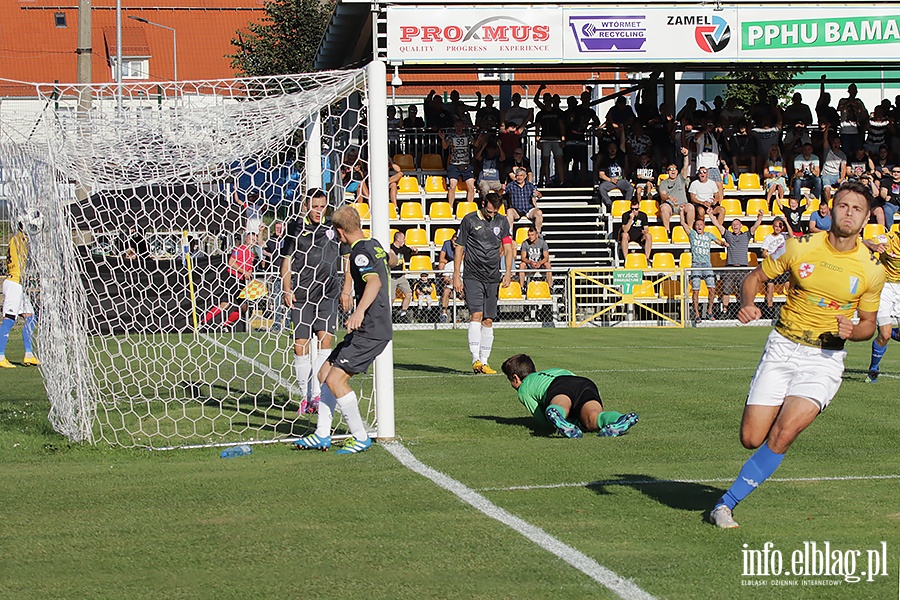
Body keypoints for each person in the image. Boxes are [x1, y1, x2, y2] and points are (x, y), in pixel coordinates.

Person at [709, 181, 884, 529]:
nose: (849, 213)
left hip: (825, 359)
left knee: (785, 432)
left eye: (857, 209)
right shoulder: (799, 247)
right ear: (831, 208)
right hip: (783, 347)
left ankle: (724, 505)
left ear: (865, 220)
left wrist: (854, 332)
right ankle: (772, 425)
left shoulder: (871, 268)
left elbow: (868, 325)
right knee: (751, 438)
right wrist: (747, 305)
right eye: (843, 206)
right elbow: (755, 278)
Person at [292, 205, 394, 455]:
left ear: (339, 231)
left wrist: (359, 312)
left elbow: (374, 281)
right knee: (325, 373)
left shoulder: (360, 252)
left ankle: (360, 437)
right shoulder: (372, 244)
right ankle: (321, 435)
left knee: (336, 380)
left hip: (371, 327)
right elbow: (386, 261)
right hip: (370, 327)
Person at [282, 190, 350, 414]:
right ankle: (306, 397)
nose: (319, 210)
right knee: (301, 344)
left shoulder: (332, 227)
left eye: (322, 206)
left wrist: (347, 289)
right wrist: (286, 288)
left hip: (327, 294)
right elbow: (287, 260)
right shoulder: (295, 228)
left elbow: (347, 256)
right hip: (302, 293)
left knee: (326, 341)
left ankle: (319, 393)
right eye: (315, 206)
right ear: (306, 205)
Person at [501, 353, 639, 438]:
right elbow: (572, 382)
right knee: (593, 418)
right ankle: (620, 418)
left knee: (560, 405)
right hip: (584, 383)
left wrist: (553, 425)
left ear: (515, 377)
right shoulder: (554, 369)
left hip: (558, 385)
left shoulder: (523, 389)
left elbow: (542, 420)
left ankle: (557, 414)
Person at [453, 192, 514, 374]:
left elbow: (509, 248)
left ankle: (485, 362)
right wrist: (457, 275)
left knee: (488, 319)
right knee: (476, 314)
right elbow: (459, 248)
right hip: (472, 275)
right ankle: (475, 359)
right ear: (483, 204)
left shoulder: (502, 221)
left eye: (494, 212)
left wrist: (509, 272)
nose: (491, 215)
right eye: (489, 211)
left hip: (493, 276)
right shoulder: (469, 220)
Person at [0, 223, 39, 368]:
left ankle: (28, 355)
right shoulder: (17, 239)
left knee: (30, 316)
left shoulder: (22, 239)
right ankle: (0, 356)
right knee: (9, 319)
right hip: (13, 283)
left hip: (19, 285)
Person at [202, 231, 257, 329]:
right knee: (227, 304)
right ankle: (204, 322)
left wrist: (249, 273)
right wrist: (244, 271)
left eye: (254, 240)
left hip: (241, 281)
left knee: (243, 307)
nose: (252, 242)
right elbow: (231, 262)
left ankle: (224, 324)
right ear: (246, 239)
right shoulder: (240, 249)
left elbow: (249, 269)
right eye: (250, 239)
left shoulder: (251, 255)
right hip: (232, 278)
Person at [681, 216, 727, 322]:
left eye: (701, 225)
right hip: (696, 264)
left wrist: (724, 243)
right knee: (695, 291)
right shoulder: (692, 234)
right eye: (697, 225)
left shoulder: (708, 235)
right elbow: (683, 223)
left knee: (712, 289)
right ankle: (697, 313)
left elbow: (719, 242)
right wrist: (682, 212)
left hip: (707, 264)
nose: (699, 226)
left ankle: (709, 311)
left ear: (704, 226)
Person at [718, 212, 764, 316]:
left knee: (743, 291)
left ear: (741, 226)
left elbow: (755, 226)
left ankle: (742, 312)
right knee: (726, 291)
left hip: (743, 268)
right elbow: (718, 226)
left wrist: (760, 217)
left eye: (737, 224)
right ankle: (725, 312)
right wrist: (711, 215)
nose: (735, 226)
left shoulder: (746, 235)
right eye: (733, 224)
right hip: (730, 268)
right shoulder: (728, 236)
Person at [439, 117, 476, 209]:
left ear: (463, 126)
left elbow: (476, 144)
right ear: (454, 127)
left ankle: (469, 207)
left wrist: (480, 138)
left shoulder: (468, 136)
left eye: (460, 126)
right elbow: (445, 147)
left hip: (466, 164)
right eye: (456, 126)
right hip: (454, 165)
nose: (458, 128)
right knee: (452, 186)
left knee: (471, 187)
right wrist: (443, 139)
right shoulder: (451, 136)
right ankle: (450, 207)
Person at [658, 147, 694, 235]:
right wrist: (668, 197)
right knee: (664, 208)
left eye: (674, 169)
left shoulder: (681, 178)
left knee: (691, 207)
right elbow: (662, 195)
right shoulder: (664, 183)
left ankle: (690, 230)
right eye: (670, 169)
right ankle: (667, 231)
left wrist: (686, 155)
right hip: (670, 205)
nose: (673, 171)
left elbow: (685, 166)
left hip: (683, 204)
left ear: (677, 171)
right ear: (667, 172)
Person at [263, 220, 288, 332]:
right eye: (276, 228)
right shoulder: (272, 240)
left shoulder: (289, 239)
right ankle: (277, 324)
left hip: (288, 275)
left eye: (280, 228)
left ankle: (288, 324)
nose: (278, 230)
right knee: (277, 300)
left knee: (288, 300)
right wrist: (260, 232)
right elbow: (261, 245)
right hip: (276, 275)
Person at [759, 218, 791, 307]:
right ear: (773, 226)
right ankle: (769, 308)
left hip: (782, 266)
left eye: (779, 227)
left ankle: (791, 306)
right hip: (772, 266)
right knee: (770, 287)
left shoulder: (784, 236)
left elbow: (792, 236)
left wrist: (786, 222)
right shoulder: (768, 238)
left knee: (788, 285)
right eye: (776, 226)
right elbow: (763, 253)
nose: (777, 228)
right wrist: (772, 257)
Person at [594, 141, 632, 211]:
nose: (612, 149)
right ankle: (609, 204)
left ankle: (627, 205)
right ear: (608, 149)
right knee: (601, 188)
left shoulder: (621, 158)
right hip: (609, 181)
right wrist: (610, 180)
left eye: (614, 148)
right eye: (610, 148)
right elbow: (601, 174)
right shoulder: (604, 160)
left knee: (630, 188)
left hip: (620, 180)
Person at [389, 231, 417, 322]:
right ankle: (387, 315)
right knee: (391, 298)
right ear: (398, 239)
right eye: (403, 238)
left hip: (400, 276)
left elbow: (411, 251)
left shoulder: (403, 248)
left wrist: (415, 250)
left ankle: (403, 312)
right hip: (391, 276)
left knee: (409, 294)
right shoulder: (390, 248)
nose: (404, 240)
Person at [505, 167, 543, 234]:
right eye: (517, 176)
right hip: (516, 210)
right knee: (509, 211)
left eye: (521, 175)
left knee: (539, 213)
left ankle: (538, 234)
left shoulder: (530, 186)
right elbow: (502, 193)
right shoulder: (510, 186)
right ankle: (509, 234)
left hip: (528, 209)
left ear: (525, 176)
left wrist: (538, 194)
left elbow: (539, 196)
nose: (519, 177)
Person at [437, 231, 459, 323]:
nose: (455, 243)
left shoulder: (464, 264)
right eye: (454, 241)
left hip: (461, 286)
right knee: (446, 290)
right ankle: (444, 314)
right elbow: (441, 259)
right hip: (450, 284)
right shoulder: (449, 264)